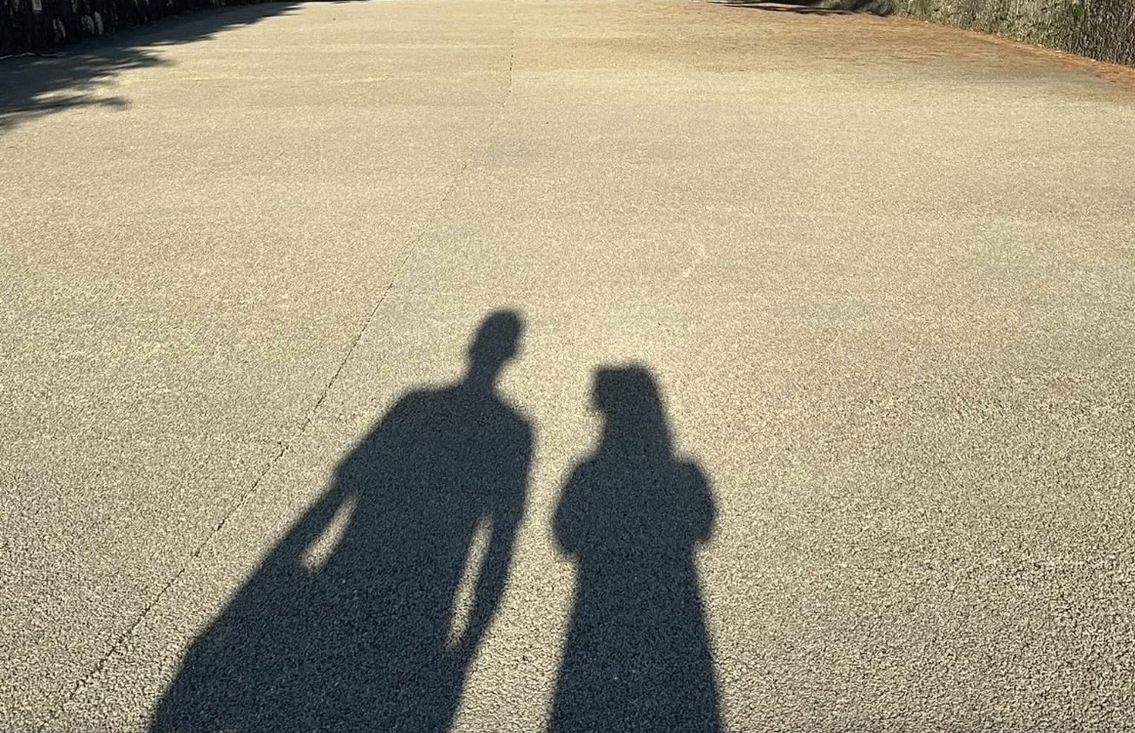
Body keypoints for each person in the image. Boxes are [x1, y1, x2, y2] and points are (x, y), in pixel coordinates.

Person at [153, 312, 533, 733]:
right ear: (512, 354)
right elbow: (501, 538)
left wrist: (281, 563)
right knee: (382, 706)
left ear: (472, 347)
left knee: (317, 696)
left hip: (350, 566)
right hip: (433, 594)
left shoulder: (416, 406)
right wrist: (470, 642)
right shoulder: (515, 430)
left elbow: (341, 491)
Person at [551, 365, 722, 733]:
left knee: (593, 703)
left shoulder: (587, 474)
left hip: (599, 603)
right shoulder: (685, 474)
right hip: (675, 603)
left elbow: (564, 537)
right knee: (678, 698)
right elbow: (705, 528)